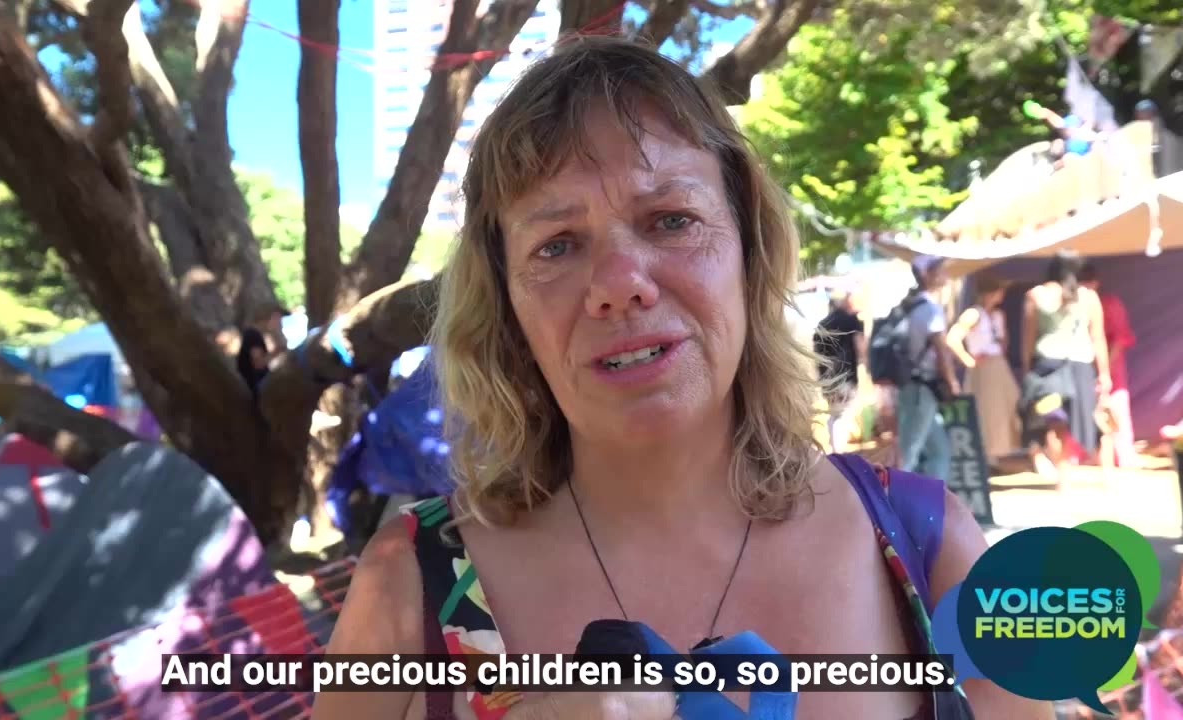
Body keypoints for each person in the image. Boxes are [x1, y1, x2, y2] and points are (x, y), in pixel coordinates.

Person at [312, 37, 1049, 720]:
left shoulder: (927, 545)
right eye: (558, 244)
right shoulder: (408, 585)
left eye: (669, 219)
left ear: (750, 254)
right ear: (506, 308)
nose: (619, 284)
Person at [1018, 251, 1111, 478]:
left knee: (1054, 422)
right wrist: (1104, 373)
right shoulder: (1088, 297)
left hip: (1047, 367)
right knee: (1093, 421)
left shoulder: (1036, 295)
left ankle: (1063, 478)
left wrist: (1026, 367)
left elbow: (1028, 337)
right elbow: (1098, 337)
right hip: (1080, 365)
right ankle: (1108, 476)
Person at [895, 256, 960, 482]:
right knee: (909, 454)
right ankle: (891, 505)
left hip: (913, 388)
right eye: (939, 270)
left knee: (938, 451)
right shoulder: (930, 309)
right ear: (926, 275)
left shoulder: (912, 305)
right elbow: (941, 350)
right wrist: (952, 382)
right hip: (921, 389)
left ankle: (932, 503)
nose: (945, 274)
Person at [946, 273, 1020, 463]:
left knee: (1006, 405)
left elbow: (1003, 343)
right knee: (985, 411)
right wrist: (967, 359)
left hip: (998, 365)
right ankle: (986, 456)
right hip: (983, 368)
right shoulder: (974, 313)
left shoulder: (996, 315)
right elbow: (953, 338)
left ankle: (996, 453)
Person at [1078, 263, 1138, 468]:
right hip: (1085, 367)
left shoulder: (1110, 304)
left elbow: (1119, 340)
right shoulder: (1074, 306)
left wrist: (1105, 367)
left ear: (1096, 283)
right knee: (1089, 413)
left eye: (1088, 283)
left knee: (1116, 409)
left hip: (1109, 369)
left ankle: (1123, 456)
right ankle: (1093, 456)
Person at [813, 290, 866, 452]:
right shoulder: (851, 320)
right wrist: (864, 363)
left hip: (827, 376)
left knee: (834, 413)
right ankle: (839, 452)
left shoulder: (822, 324)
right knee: (843, 414)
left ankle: (835, 449)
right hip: (846, 375)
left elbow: (816, 354)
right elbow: (860, 345)